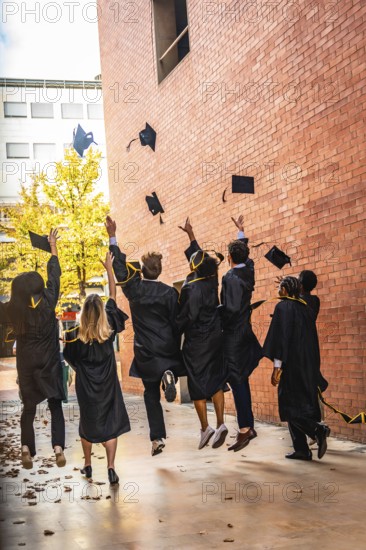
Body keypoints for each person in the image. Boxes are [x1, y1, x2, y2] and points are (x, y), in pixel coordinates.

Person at [106, 216, 185, 456]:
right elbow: (178, 321)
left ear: (141, 271)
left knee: (151, 395)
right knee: (158, 383)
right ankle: (168, 376)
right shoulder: (170, 293)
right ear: (159, 270)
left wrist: (112, 235)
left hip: (146, 351)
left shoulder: (136, 290)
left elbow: (119, 270)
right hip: (168, 348)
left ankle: (157, 438)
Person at [63, 252, 131, 484]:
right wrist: (109, 269)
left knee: (88, 423)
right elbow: (112, 294)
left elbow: (69, 358)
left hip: (86, 386)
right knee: (110, 424)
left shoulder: (73, 336)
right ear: (101, 311)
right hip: (108, 385)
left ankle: (88, 465)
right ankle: (111, 468)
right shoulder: (109, 325)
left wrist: (80, 369)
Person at [5, 229, 66, 469]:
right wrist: (52, 247)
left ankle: (25, 449)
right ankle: (58, 448)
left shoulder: (13, 309)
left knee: (28, 409)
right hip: (49, 363)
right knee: (55, 406)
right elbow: (55, 275)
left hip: (27, 365)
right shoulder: (49, 302)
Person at [263, 276, 331, 461]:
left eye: (280, 287)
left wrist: (277, 367)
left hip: (291, 366)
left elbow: (281, 339)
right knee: (301, 405)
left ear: (285, 289)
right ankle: (301, 449)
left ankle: (316, 429)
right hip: (307, 365)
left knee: (289, 405)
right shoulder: (305, 308)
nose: (278, 290)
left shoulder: (283, 307)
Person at [177, 218, 228, 449]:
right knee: (216, 381)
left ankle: (205, 428)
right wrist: (191, 234)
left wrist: (173, 327)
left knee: (197, 385)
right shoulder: (211, 278)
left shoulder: (191, 288)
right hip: (215, 338)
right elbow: (202, 258)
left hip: (197, 342)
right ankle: (221, 423)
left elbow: (187, 317)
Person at [220, 215, 263, 452]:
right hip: (245, 331)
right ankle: (246, 425)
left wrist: (219, 317)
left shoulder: (230, 277)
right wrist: (241, 232)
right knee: (240, 380)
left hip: (234, 336)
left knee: (236, 380)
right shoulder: (249, 270)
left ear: (228, 259)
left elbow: (231, 308)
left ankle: (246, 428)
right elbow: (246, 258)